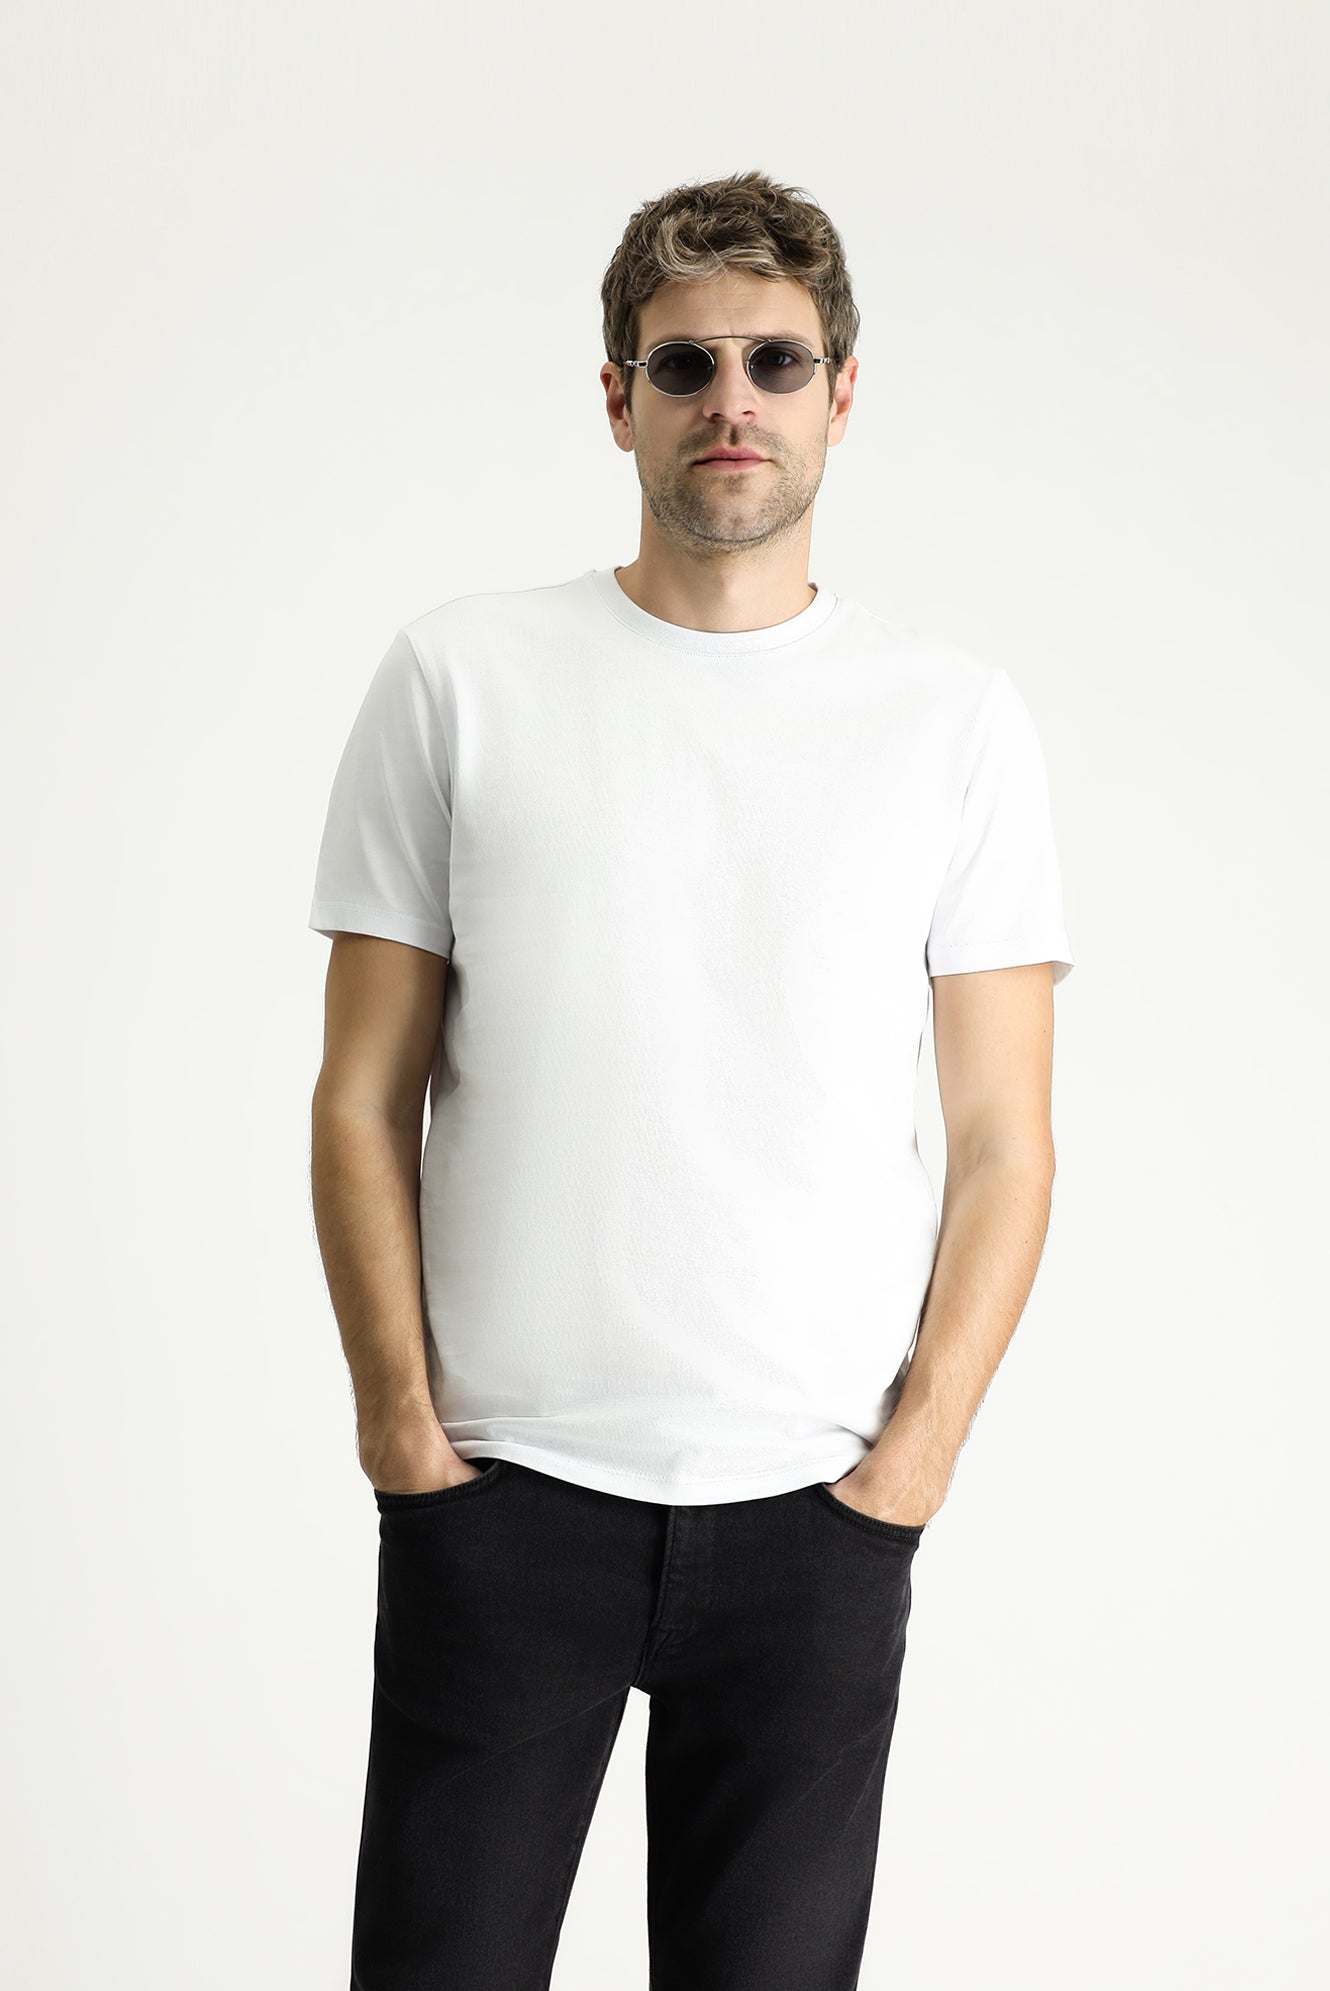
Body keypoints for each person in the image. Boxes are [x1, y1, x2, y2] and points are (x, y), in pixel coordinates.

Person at [308, 168, 1074, 1991]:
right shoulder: (461, 677)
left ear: (840, 393)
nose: (731, 398)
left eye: (774, 361)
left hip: (816, 1510)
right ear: (616, 397)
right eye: (684, 363)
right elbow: (359, 1094)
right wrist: (404, 1433)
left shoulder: (952, 721)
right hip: (505, 1492)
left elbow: (1003, 1139)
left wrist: (914, 1461)